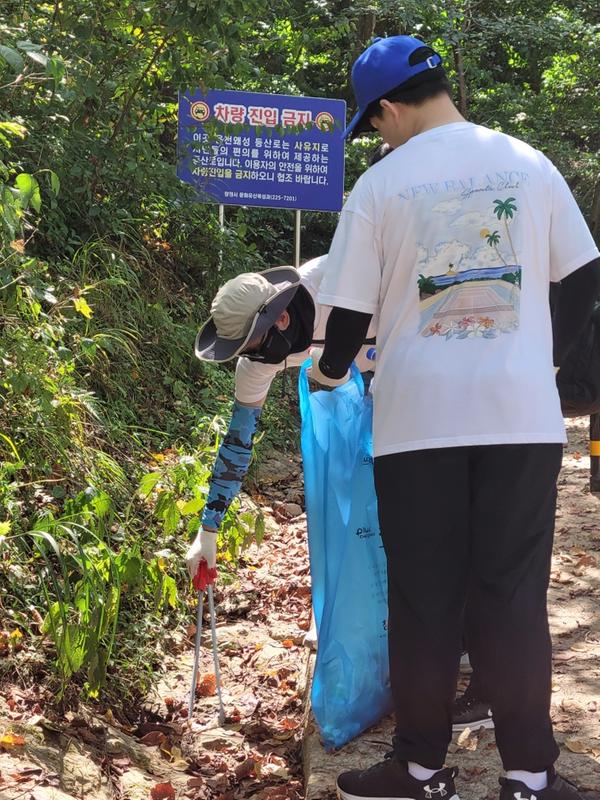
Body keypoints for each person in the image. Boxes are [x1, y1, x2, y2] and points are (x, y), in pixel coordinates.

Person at [309, 34, 600, 800]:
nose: (378, 136)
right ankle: (530, 775)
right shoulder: (527, 160)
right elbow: (585, 271)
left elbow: (347, 313)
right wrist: (546, 360)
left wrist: (330, 372)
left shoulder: (380, 185)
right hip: (521, 419)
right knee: (510, 593)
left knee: (425, 596)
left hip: (417, 424)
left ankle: (420, 766)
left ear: (391, 108)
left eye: (374, 123)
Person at [185, 256, 378, 585]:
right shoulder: (256, 364)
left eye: (254, 345)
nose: (252, 358)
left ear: (282, 318)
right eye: (242, 350)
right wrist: (208, 530)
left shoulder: (340, 276)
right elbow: (237, 444)